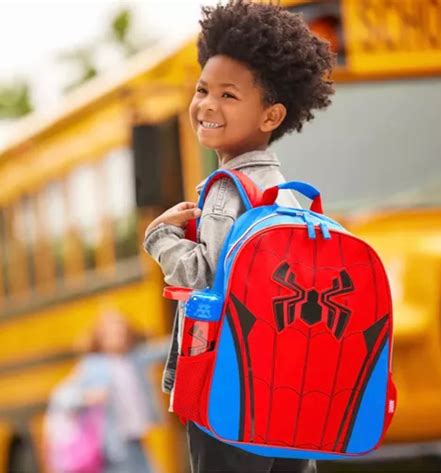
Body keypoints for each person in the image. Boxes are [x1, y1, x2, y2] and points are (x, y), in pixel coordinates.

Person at [143, 1, 335, 471]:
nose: (207, 105)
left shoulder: (227, 192)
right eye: (202, 89)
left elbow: (206, 278)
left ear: (271, 116)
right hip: (288, 385)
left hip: (225, 382)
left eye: (228, 96)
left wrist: (159, 237)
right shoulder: (292, 196)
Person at [46, 310, 170, 473]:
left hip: (135, 437)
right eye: (111, 335)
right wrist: (85, 397)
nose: (118, 338)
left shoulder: (134, 358)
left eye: (122, 333)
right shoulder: (93, 366)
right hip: (111, 444)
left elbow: (166, 348)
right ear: (100, 339)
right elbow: (61, 396)